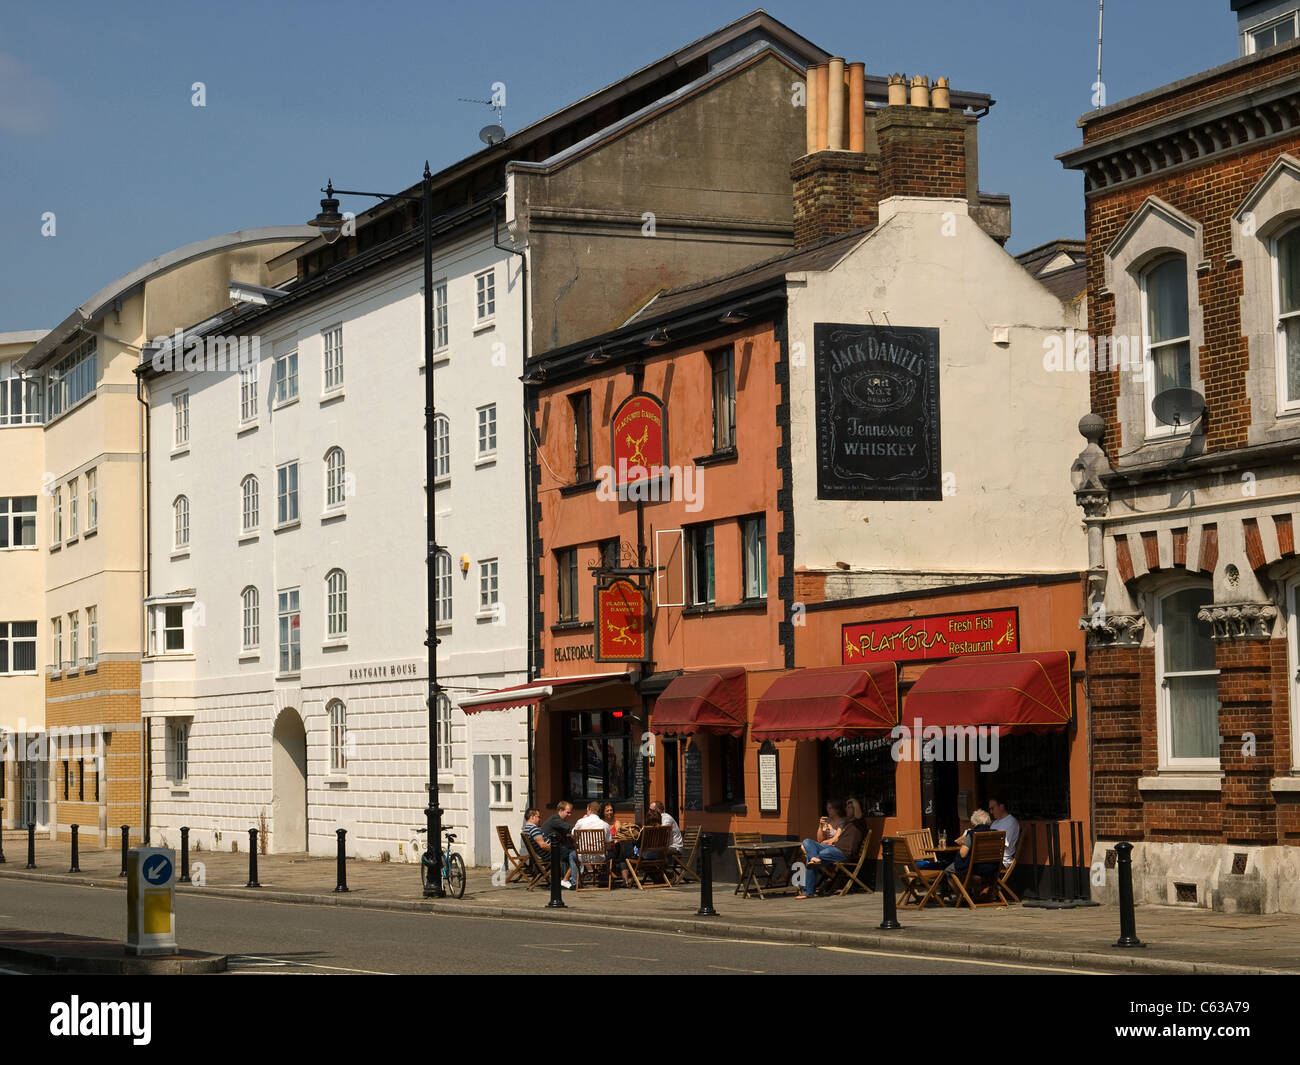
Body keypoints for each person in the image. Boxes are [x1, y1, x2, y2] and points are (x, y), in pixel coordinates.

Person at [798, 810, 863, 899]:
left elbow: (858, 814)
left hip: (843, 853)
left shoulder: (859, 823)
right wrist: (822, 828)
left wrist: (853, 801)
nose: (848, 808)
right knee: (807, 841)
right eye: (847, 806)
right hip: (833, 848)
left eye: (851, 807)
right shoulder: (845, 823)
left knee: (818, 855)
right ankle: (814, 858)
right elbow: (831, 839)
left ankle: (808, 892)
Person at [539, 801, 581, 889]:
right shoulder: (555, 820)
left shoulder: (557, 820)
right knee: (576, 854)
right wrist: (582, 825)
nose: (570, 815)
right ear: (561, 810)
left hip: (554, 849)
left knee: (573, 852)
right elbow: (568, 827)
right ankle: (567, 880)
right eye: (568, 812)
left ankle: (568, 879)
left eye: (570, 812)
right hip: (550, 851)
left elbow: (566, 832)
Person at [947, 808, 997, 879]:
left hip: (975, 868)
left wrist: (964, 843)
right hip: (992, 868)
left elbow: (963, 854)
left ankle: (961, 890)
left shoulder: (972, 833)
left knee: (948, 870)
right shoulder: (996, 833)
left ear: (974, 822)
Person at [988, 795, 1020, 869]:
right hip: (990, 858)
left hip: (1002, 861)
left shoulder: (1011, 822)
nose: (991, 812)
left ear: (1001, 807)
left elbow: (1002, 844)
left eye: (992, 808)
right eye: (990, 809)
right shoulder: (995, 823)